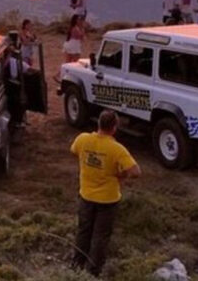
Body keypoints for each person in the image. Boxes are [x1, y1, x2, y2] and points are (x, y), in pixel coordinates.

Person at [70, 110, 141, 277]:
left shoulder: (83, 139)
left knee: (83, 231)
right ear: (114, 128)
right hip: (107, 200)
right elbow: (136, 171)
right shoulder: (116, 149)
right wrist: (121, 174)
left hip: (86, 196)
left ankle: (76, 265)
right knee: (100, 237)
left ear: (99, 123)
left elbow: (73, 150)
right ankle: (93, 272)